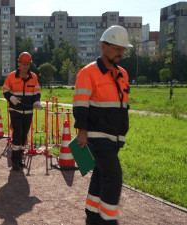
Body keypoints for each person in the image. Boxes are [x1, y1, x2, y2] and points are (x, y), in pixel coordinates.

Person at [72, 25, 132, 225]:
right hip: (97, 135)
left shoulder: (123, 73)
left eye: (123, 49)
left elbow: (122, 105)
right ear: (103, 46)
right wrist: (81, 131)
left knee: (100, 174)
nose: (121, 53)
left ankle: (92, 216)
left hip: (115, 136)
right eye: (117, 48)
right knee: (113, 177)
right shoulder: (88, 72)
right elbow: (80, 104)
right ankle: (108, 221)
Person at [3, 52, 43, 171]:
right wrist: (11, 98)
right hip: (15, 110)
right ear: (18, 63)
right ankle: (14, 160)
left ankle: (20, 158)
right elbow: (5, 91)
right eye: (23, 64)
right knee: (18, 133)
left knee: (24, 135)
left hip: (28, 111)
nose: (25, 66)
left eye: (27, 64)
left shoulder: (34, 77)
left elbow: (37, 93)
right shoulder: (11, 76)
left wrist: (37, 102)